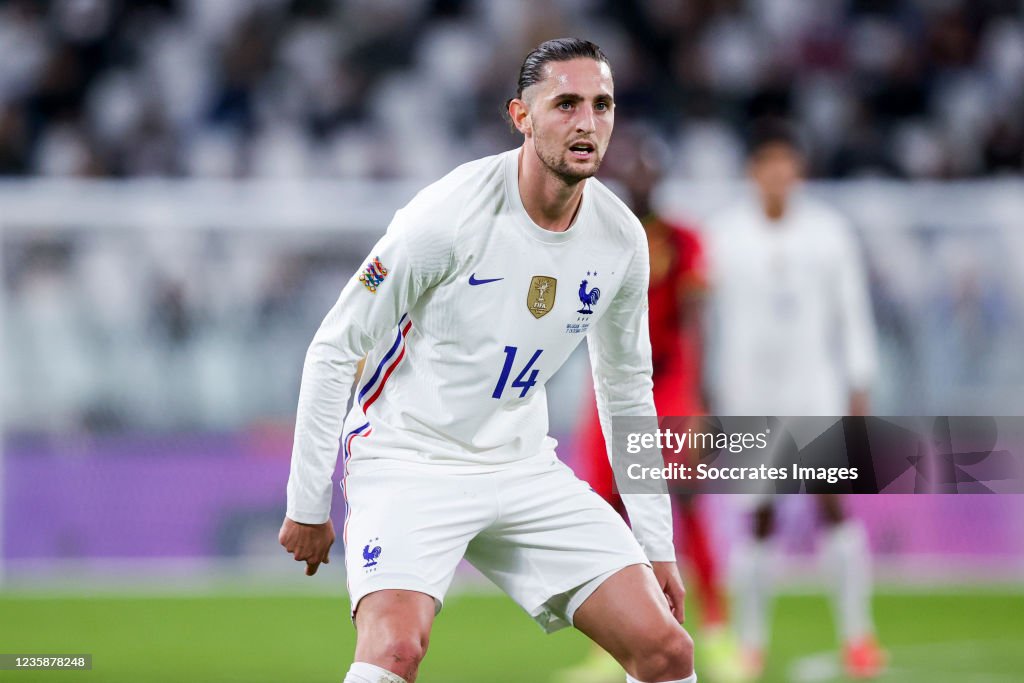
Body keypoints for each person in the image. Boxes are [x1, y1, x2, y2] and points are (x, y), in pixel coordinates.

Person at [279, 38, 697, 683]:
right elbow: (336, 346)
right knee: (394, 652)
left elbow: (625, 390)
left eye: (602, 105)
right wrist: (308, 502)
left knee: (667, 651)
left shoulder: (620, 240)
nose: (588, 123)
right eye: (566, 104)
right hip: (411, 459)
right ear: (521, 117)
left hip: (524, 465)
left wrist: (655, 544)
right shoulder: (444, 218)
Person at [703, 119, 885, 679]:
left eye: (787, 163)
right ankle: (750, 643)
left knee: (834, 506)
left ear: (798, 170)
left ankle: (858, 635)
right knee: (757, 516)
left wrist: (859, 380)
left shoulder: (829, 232)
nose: (778, 174)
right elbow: (708, 324)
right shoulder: (725, 236)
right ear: (753, 172)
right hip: (747, 394)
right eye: (768, 164)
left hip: (815, 389)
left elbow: (852, 310)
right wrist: (708, 396)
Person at [559, 131, 741, 683]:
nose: (639, 180)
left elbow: (697, 320)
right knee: (608, 510)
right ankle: (613, 647)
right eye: (631, 171)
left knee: (684, 506)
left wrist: (705, 397)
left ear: (658, 178)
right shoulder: (598, 232)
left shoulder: (685, 240)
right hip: (610, 387)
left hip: (671, 385)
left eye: (647, 171)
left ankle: (717, 632)